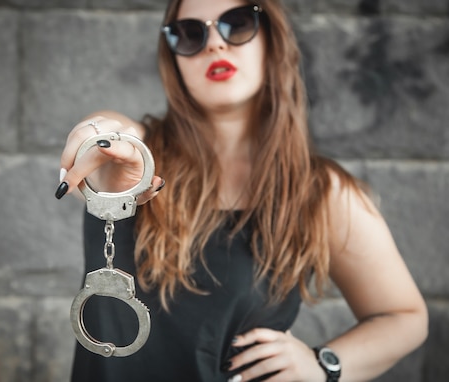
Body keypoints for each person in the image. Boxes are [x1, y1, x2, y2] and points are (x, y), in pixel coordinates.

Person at [55, 0, 428, 380]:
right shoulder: (136, 160)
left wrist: (323, 366)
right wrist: (103, 136)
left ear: (272, 39)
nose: (215, 44)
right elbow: (112, 135)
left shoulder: (319, 190)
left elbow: (405, 317)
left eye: (238, 23)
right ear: (173, 57)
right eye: (190, 34)